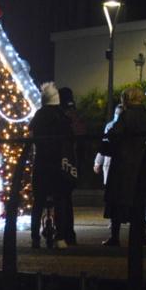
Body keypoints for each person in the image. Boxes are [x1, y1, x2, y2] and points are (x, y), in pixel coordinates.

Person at [101, 87, 146, 247]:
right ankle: (141, 235)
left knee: (116, 198)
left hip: (123, 162)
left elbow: (115, 133)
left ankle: (115, 237)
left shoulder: (126, 115)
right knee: (137, 199)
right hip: (140, 161)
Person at [28, 82, 72, 249]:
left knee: (38, 202)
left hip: (40, 163)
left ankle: (34, 238)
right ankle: (60, 237)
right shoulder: (61, 117)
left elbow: (31, 134)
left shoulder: (38, 117)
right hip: (58, 163)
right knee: (60, 200)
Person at [58, 87, 84, 245]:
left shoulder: (61, 116)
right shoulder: (75, 114)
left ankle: (63, 233)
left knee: (62, 198)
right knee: (66, 198)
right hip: (73, 161)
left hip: (63, 160)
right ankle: (69, 233)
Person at [93, 105, 124, 185]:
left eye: (119, 113)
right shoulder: (110, 126)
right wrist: (97, 162)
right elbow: (105, 144)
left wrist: (97, 162)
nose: (117, 115)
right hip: (109, 160)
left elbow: (104, 145)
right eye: (116, 113)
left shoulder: (113, 126)